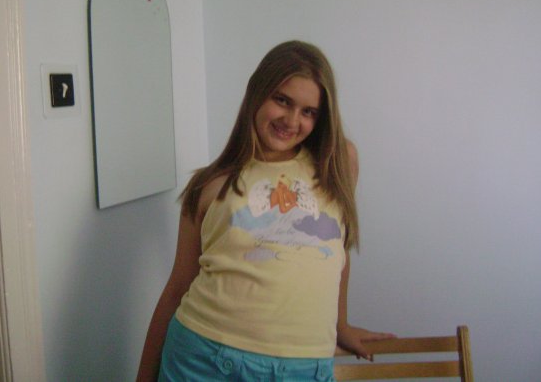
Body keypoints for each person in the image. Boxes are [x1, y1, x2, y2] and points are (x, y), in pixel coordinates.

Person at [136, 41, 395, 381]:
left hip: (303, 367)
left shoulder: (338, 162)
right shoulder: (210, 184)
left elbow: (338, 251)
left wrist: (340, 325)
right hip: (203, 358)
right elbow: (177, 288)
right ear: (257, 93)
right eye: (282, 100)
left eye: (308, 112)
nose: (291, 120)